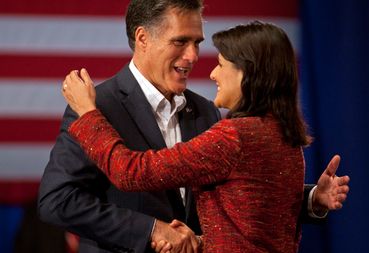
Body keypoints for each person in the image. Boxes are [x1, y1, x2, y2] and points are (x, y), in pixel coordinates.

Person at [38, 1, 349, 253]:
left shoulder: (208, 113)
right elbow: (58, 201)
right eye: (181, 41)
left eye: (197, 43)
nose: (194, 57)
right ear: (144, 38)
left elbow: (238, 196)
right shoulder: (98, 107)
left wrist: (304, 200)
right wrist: (150, 230)